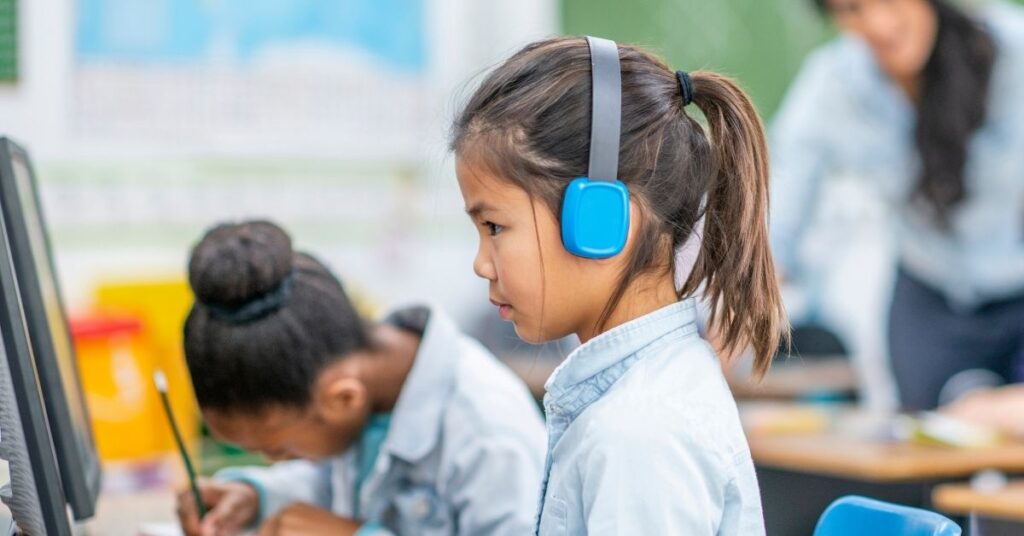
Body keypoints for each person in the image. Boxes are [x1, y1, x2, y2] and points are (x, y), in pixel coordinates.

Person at [450, 36, 787, 534]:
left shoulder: (638, 433)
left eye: (494, 227)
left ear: (600, 222)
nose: (481, 264)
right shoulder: (636, 401)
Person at [174, 220, 545, 536]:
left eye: (280, 449)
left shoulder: (488, 434)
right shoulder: (351, 382)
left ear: (343, 399)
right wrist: (256, 496)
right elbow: (335, 480)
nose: (274, 461)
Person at [771, 0, 1024, 410]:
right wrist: (738, 317)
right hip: (929, 291)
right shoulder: (834, 84)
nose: (878, 24)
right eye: (851, 10)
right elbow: (780, 212)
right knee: (926, 442)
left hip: (1015, 283)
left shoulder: (1012, 49)